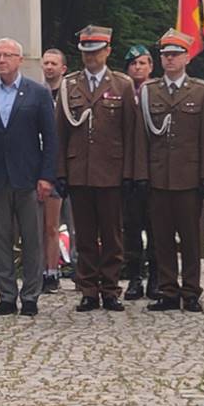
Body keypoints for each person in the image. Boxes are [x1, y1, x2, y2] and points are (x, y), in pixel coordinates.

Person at [0, 38, 57, 316]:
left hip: (28, 177)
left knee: (32, 238)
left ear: (20, 59)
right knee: (1, 238)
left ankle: (31, 294)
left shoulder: (37, 93)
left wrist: (46, 176)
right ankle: (6, 295)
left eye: (8, 55)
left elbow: (50, 138)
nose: (2, 60)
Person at [57, 25, 139, 312]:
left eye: (96, 51)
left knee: (113, 234)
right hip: (80, 170)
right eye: (86, 51)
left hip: (111, 171)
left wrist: (129, 173)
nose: (91, 57)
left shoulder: (122, 85)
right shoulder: (69, 85)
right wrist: (61, 173)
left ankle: (111, 288)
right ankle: (89, 288)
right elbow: (61, 132)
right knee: (85, 234)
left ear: (107, 51)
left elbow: (131, 133)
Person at [139, 32, 204, 312]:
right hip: (158, 176)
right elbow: (141, 138)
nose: (170, 59)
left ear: (186, 57)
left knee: (192, 239)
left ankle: (191, 290)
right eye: (165, 55)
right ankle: (168, 290)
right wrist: (142, 175)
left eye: (175, 54)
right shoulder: (149, 91)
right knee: (162, 238)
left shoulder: (201, 90)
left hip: (189, 177)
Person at [117, 43, 155, 300]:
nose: (138, 67)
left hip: (155, 170)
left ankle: (156, 277)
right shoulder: (120, 93)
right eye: (133, 64)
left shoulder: (158, 91)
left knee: (156, 227)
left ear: (151, 67)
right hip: (126, 170)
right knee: (131, 227)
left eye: (142, 63)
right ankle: (134, 277)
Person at [38, 48, 69, 294]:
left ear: (63, 68)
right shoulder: (36, 94)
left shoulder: (70, 94)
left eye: (53, 63)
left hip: (66, 166)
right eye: (46, 63)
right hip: (38, 167)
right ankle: (43, 270)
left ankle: (65, 270)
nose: (49, 67)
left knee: (63, 224)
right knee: (41, 225)